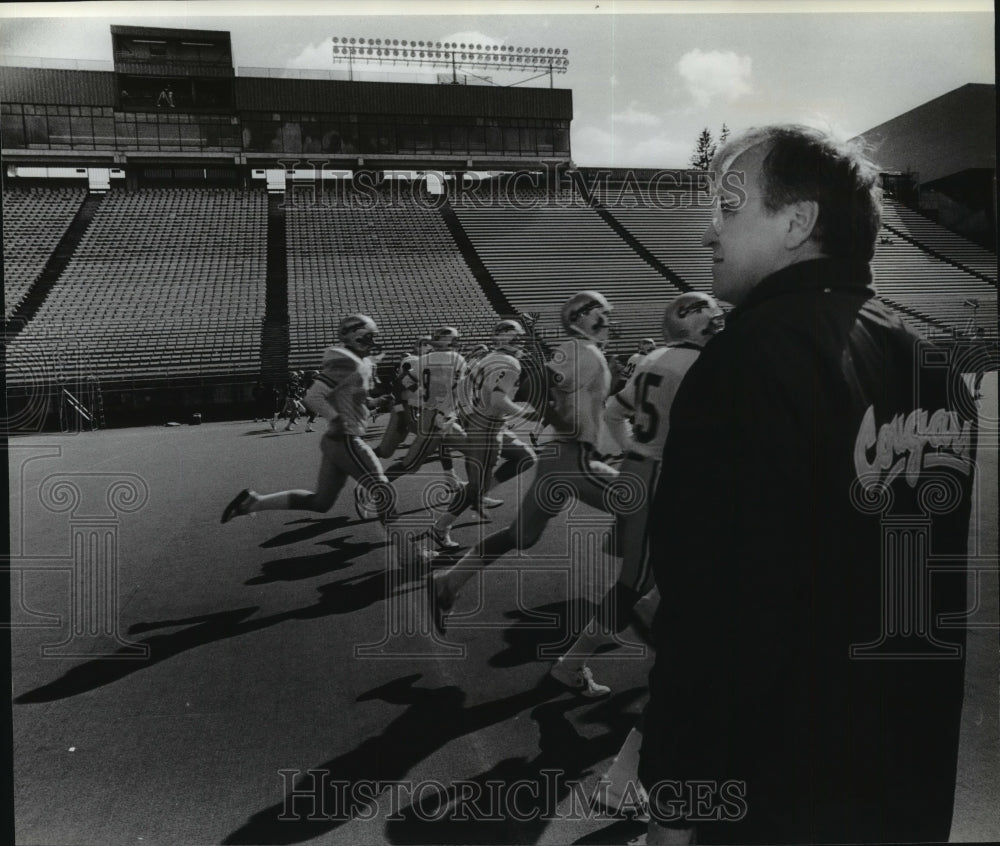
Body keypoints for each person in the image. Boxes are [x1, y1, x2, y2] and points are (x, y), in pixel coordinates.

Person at [638, 125, 976, 845]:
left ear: (797, 224)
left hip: (780, 794)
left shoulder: (747, 360)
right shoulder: (932, 366)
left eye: (729, 209)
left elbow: (714, 609)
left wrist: (677, 796)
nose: (707, 234)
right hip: (904, 785)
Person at [428, 290, 625, 697]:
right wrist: (551, 416)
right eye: (598, 313)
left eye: (605, 312)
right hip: (571, 458)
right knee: (646, 512)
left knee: (523, 535)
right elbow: (545, 382)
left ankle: (449, 582)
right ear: (579, 318)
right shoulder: (579, 350)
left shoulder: (585, 350)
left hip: (561, 457)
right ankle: (583, 654)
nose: (607, 318)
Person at [549, 292, 724, 696]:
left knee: (682, 565)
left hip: (640, 470)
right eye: (715, 320)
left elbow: (613, 410)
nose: (720, 325)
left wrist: (634, 450)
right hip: (666, 478)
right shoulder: (705, 365)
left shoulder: (652, 359)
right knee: (634, 582)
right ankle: (571, 664)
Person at [221, 314, 397, 526]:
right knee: (383, 490)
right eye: (368, 337)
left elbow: (358, 401)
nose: (373, 342)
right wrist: (335, 418)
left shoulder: (361, 362)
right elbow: (313, 396)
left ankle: (253, 502)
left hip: (336, 442)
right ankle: (410, 555)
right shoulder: (347, 361)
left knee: (321, 502)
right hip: (346, 438)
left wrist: (377, 401)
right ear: (356, 338)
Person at [426, 319, 538, 549]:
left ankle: (480, 488)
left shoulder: (487, 358)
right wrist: (526, 413)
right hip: (486, 426)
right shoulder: (508, 362)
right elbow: (498, 399)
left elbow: (461, 387)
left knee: (524, 457)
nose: (522, 342)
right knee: (475, 486)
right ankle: (441, 527)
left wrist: (450, 412)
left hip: (485, 422)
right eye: (518, 337)